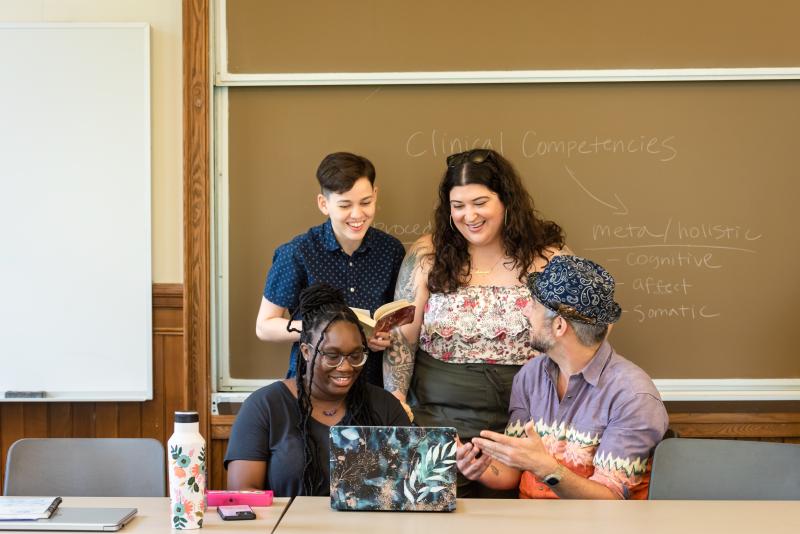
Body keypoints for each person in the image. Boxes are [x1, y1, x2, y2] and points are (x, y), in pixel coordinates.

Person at [383, 148, 568, 497]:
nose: (469, 215)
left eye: (480, 202)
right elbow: (402, 339)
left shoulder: (547, 259)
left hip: (524, 425)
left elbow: (588, 329)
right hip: (438, 422)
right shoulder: (427, 255)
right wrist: (396, 399)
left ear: (506, 201)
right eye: (458, 206)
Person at [457, 255, 669, 499]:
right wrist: (477, 467)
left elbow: (610, 501)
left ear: (559, 326)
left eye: (534, 305)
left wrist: (545, 467)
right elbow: (513, 471)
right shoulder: (530, 375)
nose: (526, 311)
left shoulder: (633, 396)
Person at [226, 283, 411, 496]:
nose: (346, 366)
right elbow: (243, 494)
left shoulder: (385, 406)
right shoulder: (265, 406)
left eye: (355, 355)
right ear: (306, 351)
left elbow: (409, 487)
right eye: (332, 356)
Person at [256, 152, 406, 386]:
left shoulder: (391, 250)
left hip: (372, 384)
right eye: (345, 205)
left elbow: (397, 320)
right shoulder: (297, 253)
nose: (357, 214)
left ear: (375, 195)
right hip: (313, 384)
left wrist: (383, 337)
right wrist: (322, 328)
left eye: (366, 202)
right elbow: (265, 327)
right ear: (323, 204)